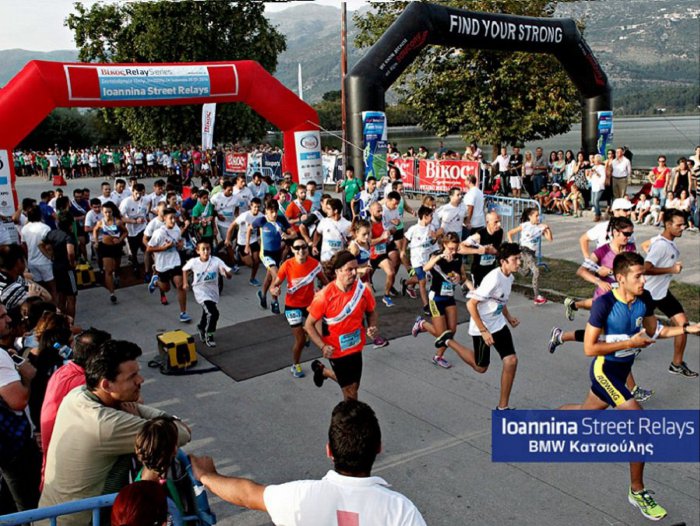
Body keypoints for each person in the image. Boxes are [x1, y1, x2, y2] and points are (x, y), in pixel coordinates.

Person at [558, 252, 700, 521]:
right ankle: (637, 491)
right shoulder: (604, 304)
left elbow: (655, 330)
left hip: (621, 372)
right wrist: (629, 344)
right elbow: (589, 348)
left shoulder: (644, 299)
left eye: (643, 274)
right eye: (638, 275)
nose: (643, 280)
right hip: (605, 371)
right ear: (620, 278)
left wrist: (685, 330)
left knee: (585, 413)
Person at [190, 400, 426, 525]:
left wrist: (207, 476)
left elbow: (247, 494)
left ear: (329, 450)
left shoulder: (298, 496)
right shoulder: (401, 511)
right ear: (378, 448)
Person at [39, 340, 191, 524]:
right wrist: (148, 421)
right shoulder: (105, 425)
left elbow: (170, 427)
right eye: (132, 376)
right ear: (107, 385)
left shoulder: (78, 394)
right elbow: (182, 432)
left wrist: (145, 419)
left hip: (50, 516)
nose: (140, 380)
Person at [40, 327, 112, 485]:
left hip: (56, 468)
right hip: (69, 476)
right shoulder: (83, 383)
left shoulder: (64, 371)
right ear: (98, 358)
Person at [305, 251, 378, 401]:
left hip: (356, 347)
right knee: (351, 394)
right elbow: (309, 325)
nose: (354, 273)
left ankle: (323, 371)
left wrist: (372, 326)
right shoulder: (324, 296)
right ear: (338, 271)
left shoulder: (363, 291)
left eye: (355, 269)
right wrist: (323, 346)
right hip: (336, 350)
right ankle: (351, 422)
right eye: (349, 269)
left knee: (353, 387)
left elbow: (371, 312)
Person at [643, 209, 697, 378]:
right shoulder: (660, 245)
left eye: (683, 224)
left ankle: (677, 363)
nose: (683, 227)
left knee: (684, 325)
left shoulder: (665, 241)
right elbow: (646, 268)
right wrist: (671, 269)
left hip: (662, 294)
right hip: (648, 295)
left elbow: (646, 246)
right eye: (679, 225)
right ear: (667, 224)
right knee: (639, 331)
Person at [0, 304, 41, 514]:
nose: (8, 319)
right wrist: (27, 375)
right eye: (2, 316)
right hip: (13, 449)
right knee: (28, 508)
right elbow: (18, 401)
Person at [270, 238, 328, 378]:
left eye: (303, 247)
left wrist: (322, 290)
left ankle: (307, 332)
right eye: (297, 248)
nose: (301, 250)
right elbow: (275, 285)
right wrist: (274, 291)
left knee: (321, 335)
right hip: (292, 306)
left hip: (310, 305)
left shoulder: (315, 264)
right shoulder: (287, 265)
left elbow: (326, 282)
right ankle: (295, 364)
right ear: (292, 249)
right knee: (300, 340)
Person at [411, 232, 465, 369]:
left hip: (449, 297)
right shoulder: (436, 256)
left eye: (455, 248)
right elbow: (425, 268)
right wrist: (441, 256)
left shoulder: (458, 258)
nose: (453, 251)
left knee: (451, 332)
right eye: (451, 248)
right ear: (444, 245)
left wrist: (459, 278)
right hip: (436, 298)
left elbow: (463, 275)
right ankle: (422, 324)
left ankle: (438, 356)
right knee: (442, 334)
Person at [182, 240, 232, 348]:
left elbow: (228, 273)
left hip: (213, 291)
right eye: (203, 249)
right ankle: (209, 334)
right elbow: (185, 269)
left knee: (208, 311)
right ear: (197, 251)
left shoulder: (216, 261)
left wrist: (227, 274)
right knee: (214, 313)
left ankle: (201, 326)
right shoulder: (194, 262)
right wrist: (185, 282)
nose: (205, 251)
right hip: (200, 291)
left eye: (208, 249)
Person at [147, 207, 192, 322]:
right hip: (162, 264)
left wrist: (180, 245)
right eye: (170, 218)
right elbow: (149, 248)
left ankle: (183, 313)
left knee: (180, 285)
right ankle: (156, 281)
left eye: (175, 218)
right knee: (166, 288)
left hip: (175, 261)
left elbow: (179, 241)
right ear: (165, 219)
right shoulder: (159, 233)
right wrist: (164, 248)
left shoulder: (177, 229)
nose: (173, 221)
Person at [252, 200, 294, 314]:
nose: (274, 214)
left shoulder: (281, 219)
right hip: (265, 254)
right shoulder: (261, 220)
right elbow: (249, 228)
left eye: (275, 211)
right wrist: (249, 243)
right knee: (276, 275)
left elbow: (294, 233)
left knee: (269, 276)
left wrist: (288, 236)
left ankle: (263, 294)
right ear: (266, 211)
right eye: (271, 212)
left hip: (277, 253)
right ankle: (274, 301)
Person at [507, 207, 552, 305]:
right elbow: (510, 233)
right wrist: (511, 244)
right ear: (530, 216)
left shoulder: (540, 227)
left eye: (539, 215)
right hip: (524, 250)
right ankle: (537, 297)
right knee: (536, 270)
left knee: (525, 273)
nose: (538, 218)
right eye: (536, 216)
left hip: (532, 252)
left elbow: (550, 239)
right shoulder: (525, 225)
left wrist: (547, 228)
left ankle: (510, 266)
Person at [21, 205, 57, 303]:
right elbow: (49, 246)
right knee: (53, 288)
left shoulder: (24, 229)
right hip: (45, 262)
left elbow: (24, 246)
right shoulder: (45, 228)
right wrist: (51, 257)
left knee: (39, 289)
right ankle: (55, 309)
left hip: (32, 262)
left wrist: (28, 259)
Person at [93, 202, 127, 304]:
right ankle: (112, 293)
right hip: (105, 247)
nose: (108, 214)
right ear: (103, 213)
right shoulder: (100, 222)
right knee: (108, 270)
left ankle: (116, 275)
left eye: (109, 212)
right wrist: (96, 241)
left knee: (116, 266)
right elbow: (95, 230)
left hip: (116, 247)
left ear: (112, 212)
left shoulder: (118, 222)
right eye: (106, 212)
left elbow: (125, 232)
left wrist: (120, 239)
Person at [226, 197, 263, 286]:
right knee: (249, 263)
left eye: (258, 207)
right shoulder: (245, 215)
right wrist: (228, 239)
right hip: (242, 241)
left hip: (253, 240)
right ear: (251, 206)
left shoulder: (261, 216)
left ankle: (252, 279)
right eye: (255, 207)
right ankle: (238, 254)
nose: (256, 209)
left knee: (256, 261)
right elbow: (232, 225)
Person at [463, 211, 502, 287]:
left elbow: (498, 251)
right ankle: (468, 287)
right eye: (496, 222)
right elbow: (461, 247)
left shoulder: (500, 232)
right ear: (487, 222)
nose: (499, 224)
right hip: (478, 271)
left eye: (500, 221)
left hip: (491, 269)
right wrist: (478, 251)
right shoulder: (479, 235)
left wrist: (495, 252)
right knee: (479, 295)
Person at [119, 182, 149, 275]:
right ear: (132, 191)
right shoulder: (126, 202)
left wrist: (146, 215)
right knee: (133, 251)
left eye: (140, 193)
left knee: (146, 248)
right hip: (131, 230)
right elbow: (121, 217)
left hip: (143, 228)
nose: (138, 195)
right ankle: (135, 266)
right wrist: (134, 221)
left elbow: (150, 202)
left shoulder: (145, 200)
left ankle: (147, 268)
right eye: (136, 193)